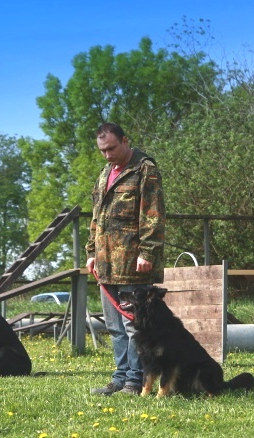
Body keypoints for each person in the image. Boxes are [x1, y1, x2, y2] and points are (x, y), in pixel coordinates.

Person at [87, 123, 166, 396]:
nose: (107, 155)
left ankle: (135, 380)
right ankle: (119, 378)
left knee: (134, 327)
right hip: (106, 264)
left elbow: (153, 215)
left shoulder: (144, 169)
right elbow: (96, 217)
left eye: (111, 148)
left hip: (134, 264)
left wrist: (148, 252)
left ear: (125, 141)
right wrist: (91, 253)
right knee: (114, 327)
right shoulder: (105, 173)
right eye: (102, 150)